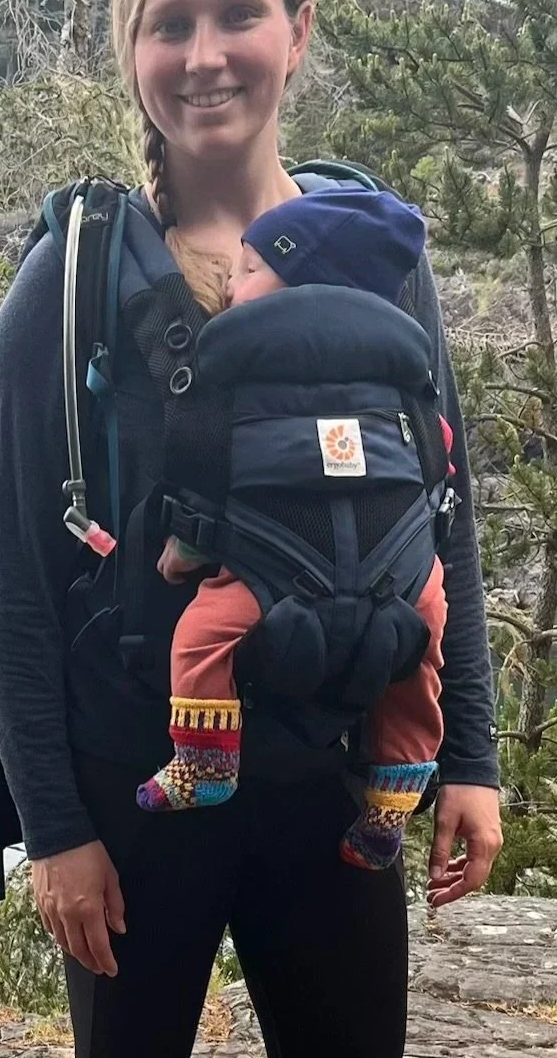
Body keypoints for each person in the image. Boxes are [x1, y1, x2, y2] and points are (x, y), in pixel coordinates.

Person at [0, 0, 503, 1058]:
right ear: (130, 54)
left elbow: (445, 531)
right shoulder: (66, 290)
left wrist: (467, 757)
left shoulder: (374, 265)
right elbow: (15, 587)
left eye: (236, 14)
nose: (203, 54)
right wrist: (54, 830)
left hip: (335, 783)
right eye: (168, 24)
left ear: (297, 31)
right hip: (134, 793)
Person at [134, 189, 451, 876]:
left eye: (247, 269)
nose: (231, 282)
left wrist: (187, 549)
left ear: (305, 280)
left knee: (200, 639)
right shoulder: (402, 370)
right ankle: (392, 801)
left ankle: (204, 762)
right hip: (402, 572)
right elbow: (436, 462)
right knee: (419, 664)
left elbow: (207, 469)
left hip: (267, 569)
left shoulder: (234, 367)